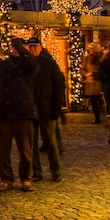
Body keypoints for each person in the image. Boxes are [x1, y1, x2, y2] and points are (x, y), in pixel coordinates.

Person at [0, 37, 37, 193]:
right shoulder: (1, 66)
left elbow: (32, 65)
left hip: (23, 113)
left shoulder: (27, 65)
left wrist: (22, 50)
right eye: (14, 47)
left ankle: (26, 178)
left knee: (25, 150)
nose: (15, 49)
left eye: (18, 47)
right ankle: (6, 178)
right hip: (2, 113)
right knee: (2, 150)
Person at [25, 37, 66, 182]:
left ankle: (55, 170)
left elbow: (59, 84)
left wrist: (57, 106)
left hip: (47, 109)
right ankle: (37, 172)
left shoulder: (49, 63)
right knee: (31, 145)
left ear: (40, 47)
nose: (32, 49)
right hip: (31, 110)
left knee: (50, 142)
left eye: (34, 46)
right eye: (30, 46)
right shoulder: (26, 64)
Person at [83, 44, 104, 124]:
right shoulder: (87, 58)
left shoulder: (100, 58)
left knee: (98, 99)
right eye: (89, 49)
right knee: (93, 100)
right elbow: (83, 69)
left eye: (92, 48)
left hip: (98, 82)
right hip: (90, 82)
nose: (90, 50)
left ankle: (103, 115)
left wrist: (96, 73)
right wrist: (86, 74)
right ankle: (97, 118)